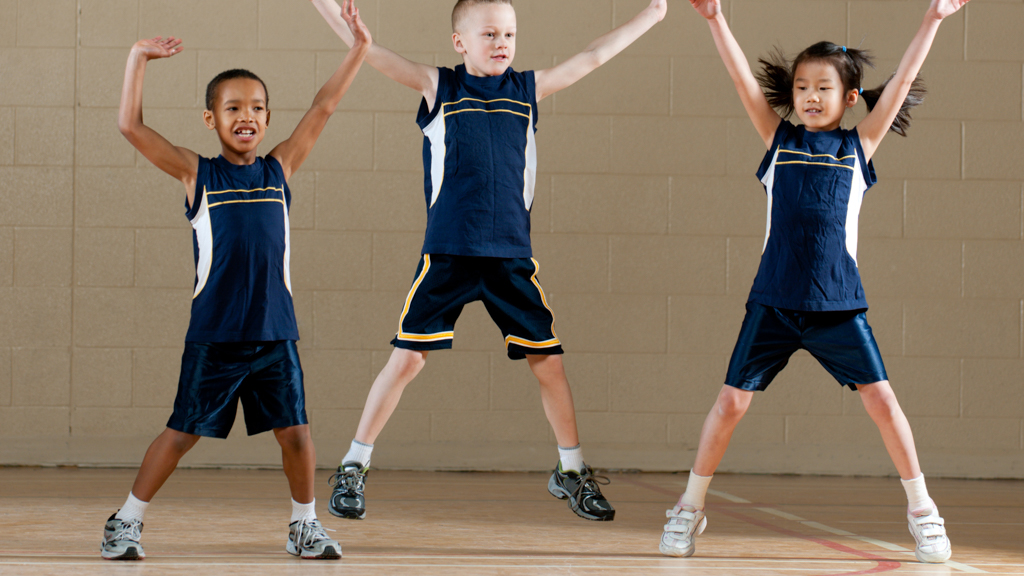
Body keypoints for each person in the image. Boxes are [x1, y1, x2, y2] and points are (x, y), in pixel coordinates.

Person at [309, 0, 666, 522]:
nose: (502, 43)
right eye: (490, 34)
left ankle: (571, 472)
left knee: (551, 363)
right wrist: (331, 11)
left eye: (510, 34)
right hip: (449, 253)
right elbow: (369, 50)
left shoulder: (527, 90)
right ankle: (353, 466)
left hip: (510, 258)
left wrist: (654, 14)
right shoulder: (439, 87)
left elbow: (591, 57)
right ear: (461, 42)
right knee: (407, 360)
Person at [659, 0, 969, 563]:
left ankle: (923, 510)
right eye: (802, 86)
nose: (809, 96)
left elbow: (899, 83)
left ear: (850, 98)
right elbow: (738, 77)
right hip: (774, 302)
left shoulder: (857, 147)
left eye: (823, 87)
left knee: (882, 402)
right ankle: (688, 508)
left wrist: (934, 18)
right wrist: (714, 20)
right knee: (730, 404)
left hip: (837, 305)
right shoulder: (779, 141)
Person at [99, 0, 371, 561]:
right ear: (211, 119)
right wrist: (136, 57)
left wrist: (361, 48)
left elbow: (324, 106)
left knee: (296, 434)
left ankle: (304, 525)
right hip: (217, 335)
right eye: (232, 107)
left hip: (275, 333)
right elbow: (129, 125)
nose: (245, 115)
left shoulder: (280, 168)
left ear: (268, 119)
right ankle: (125, 521)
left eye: (257, 107)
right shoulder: (197, 172)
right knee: (181, 434)